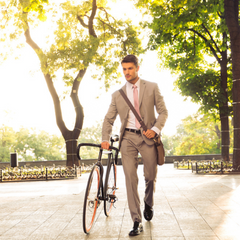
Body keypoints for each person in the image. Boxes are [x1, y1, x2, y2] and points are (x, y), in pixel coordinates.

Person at [101, 54, 168, 236]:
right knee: (130, 178)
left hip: (148, 138)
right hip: (128, 139)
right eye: (124, 69)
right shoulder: (118, 95)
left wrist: (155, 129)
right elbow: (108, 119)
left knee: (150, 176)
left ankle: (149, 202)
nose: (127, 72)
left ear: (137, 68)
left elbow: (163, 112)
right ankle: (136, 220)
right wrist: (105, 138)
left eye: (130, 68)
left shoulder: (152, 87)